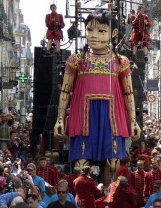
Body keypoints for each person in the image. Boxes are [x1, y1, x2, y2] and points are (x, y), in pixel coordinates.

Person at [54, 10, 141, 163]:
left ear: (113, 33)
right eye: (89, 30)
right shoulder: (75, 60)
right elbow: (65, 91)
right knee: (81, 163)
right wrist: (60, 118)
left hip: (112, 115)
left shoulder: (121, 62)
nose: (94, 35)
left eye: (101, 31)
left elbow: (128, 93)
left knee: (113, 163)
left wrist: (133, 121)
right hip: (83, 114)